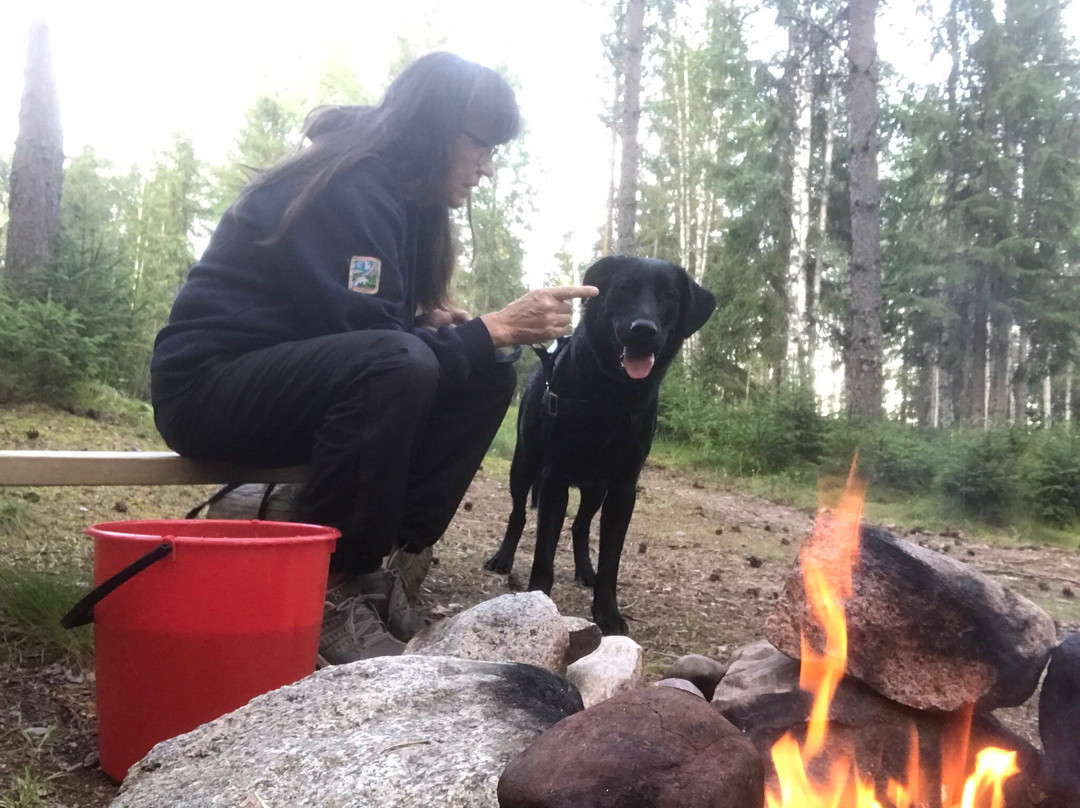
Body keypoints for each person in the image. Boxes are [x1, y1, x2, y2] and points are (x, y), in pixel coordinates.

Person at [150, 52, 597, 665]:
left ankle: (381, 569)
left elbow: (357, 328)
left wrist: (431, 325)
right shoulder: (350, 183)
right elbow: (376, 352)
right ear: (440, 129)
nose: (486, 169)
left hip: (286, 382)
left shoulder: (404, 199)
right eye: (483, 147)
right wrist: (485, 326)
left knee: (488, 369)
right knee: (410, 360)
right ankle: (328, 593)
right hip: (209, 388)